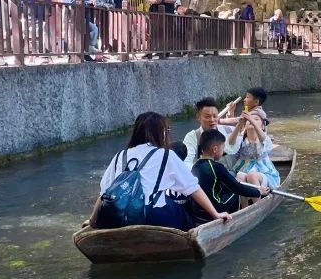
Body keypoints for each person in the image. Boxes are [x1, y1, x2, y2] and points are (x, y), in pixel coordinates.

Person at [96, 111, 230, 230]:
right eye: (166, 130)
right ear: (161, 133)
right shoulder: (165, 154)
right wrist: (215, 214)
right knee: (184, 216)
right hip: (151, 215)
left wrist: (93, 220)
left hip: (115, 214)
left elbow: (105, 192)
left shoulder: (120, 155)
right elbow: (193, 188)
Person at [188, 130, 270, 223]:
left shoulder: (195, 165)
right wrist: (258, 192)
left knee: (230, 187)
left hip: (198, 211)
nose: (223, 152)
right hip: (214, 210)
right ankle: (241, 217)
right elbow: (237, 188)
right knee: (238, 192)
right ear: (215, 149)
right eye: (223, 148)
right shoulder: (217, 167)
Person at [219, 87, 281, 188]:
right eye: (249, 120)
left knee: (252, 176)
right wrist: (231, 112)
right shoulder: (242, 135)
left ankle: (259, 194)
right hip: (244, 166)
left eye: (247, 97)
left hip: (261, 168)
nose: (244, 100)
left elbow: (236, 121)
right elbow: (236, 126)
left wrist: (218, 120)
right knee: (239, 176)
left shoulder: (259, 114)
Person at [181, 98, 238, 168]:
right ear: (198, 117)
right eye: (207, 117)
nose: (212, 120)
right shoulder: (192, 137)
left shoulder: (226, 130)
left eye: (215, 116)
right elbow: (187, 162)